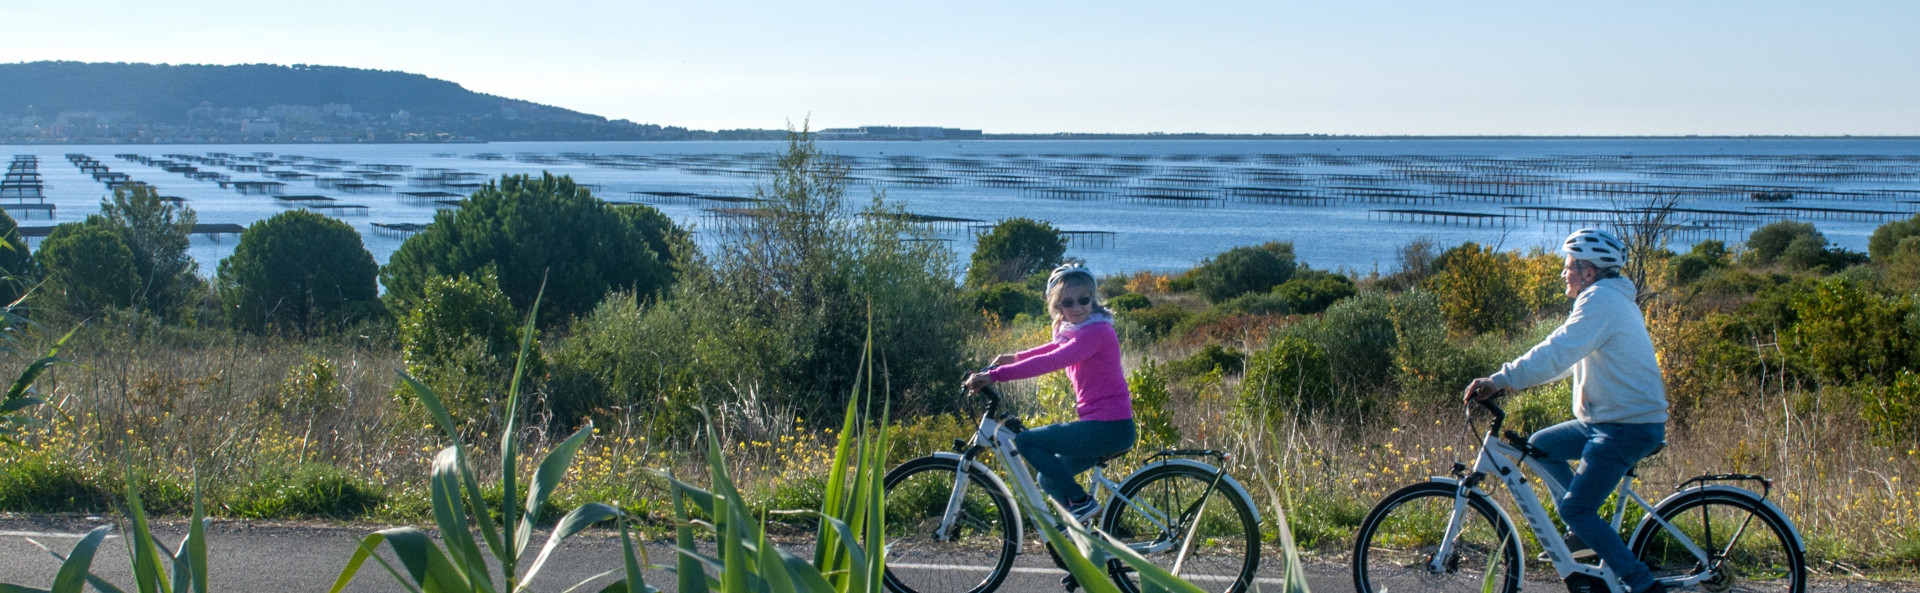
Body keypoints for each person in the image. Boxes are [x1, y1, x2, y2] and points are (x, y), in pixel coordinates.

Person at [1465, 228, 1669, 593]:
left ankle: (1641, 585)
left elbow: (1556, 350)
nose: (1564, 271)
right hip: (1610, 420)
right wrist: (1511, 380)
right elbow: (1563, 360)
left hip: (1626, 426)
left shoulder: (1601, 301)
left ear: (1589, 272)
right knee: (1541, 446)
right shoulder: (1608, 299)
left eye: (1569, 265)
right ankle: (1584, 536)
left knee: (1576, 507)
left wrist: (1499, 379)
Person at [964, 263, 1136, 524]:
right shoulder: (1078, 329)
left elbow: (1053, 360)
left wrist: (995, 375)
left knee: (1027, 442)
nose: (1077, 307)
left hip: (1109, 427)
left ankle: (1080, 501)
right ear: (1058, 307)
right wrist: (1015, 358)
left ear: (1093, 299)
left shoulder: (1097, 332)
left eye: (1084, 300)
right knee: (1048, 477)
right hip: (1099, 425)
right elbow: (1053, 348)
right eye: (1068, 302)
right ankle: (1087, 541)